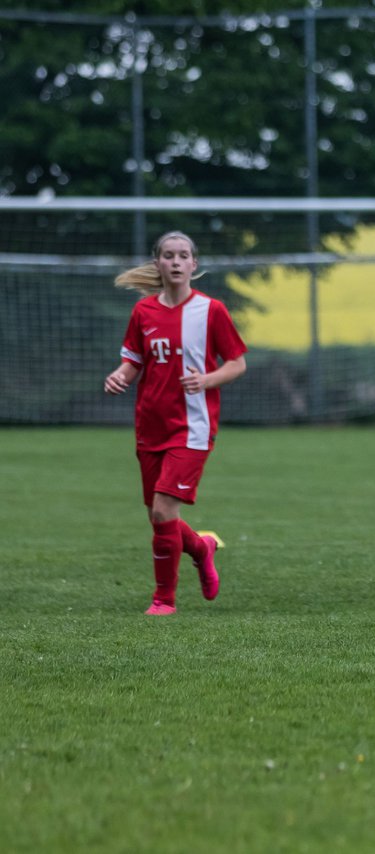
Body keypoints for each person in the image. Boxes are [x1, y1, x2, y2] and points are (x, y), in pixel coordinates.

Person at [104, 231, 248, 615]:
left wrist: (206, 379)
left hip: (193, 427)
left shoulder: (211, 310)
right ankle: (202, 548)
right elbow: (133, 361)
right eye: (168, 255)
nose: (176, 261)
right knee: (158, 513)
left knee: (164, 511)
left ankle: (163, 600)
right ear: (158, 263)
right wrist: (120, 375)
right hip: (150, 424)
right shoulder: (143, 312)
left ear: (193, 264)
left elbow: (237, 363)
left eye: (183, 255)